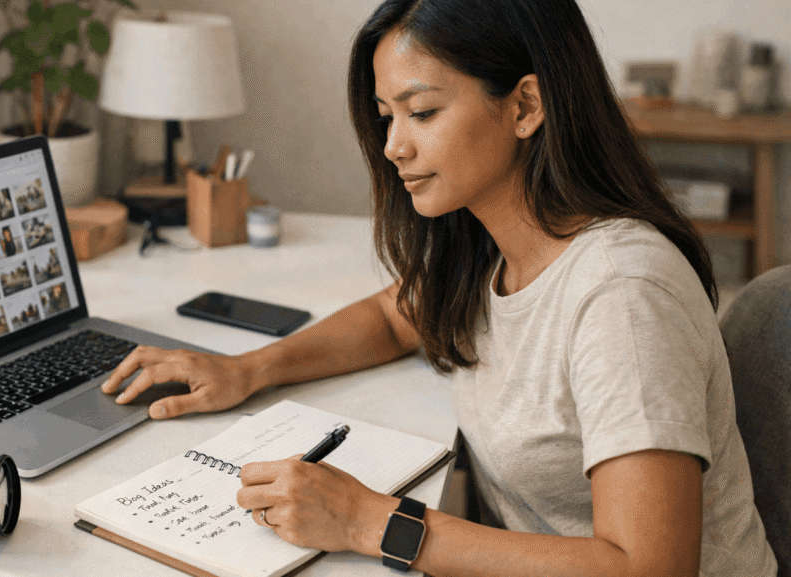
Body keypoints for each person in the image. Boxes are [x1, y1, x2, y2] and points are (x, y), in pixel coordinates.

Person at [101, 0, 777, 575]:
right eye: (386, 115)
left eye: (421, 112)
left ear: (526, 106)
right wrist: (248, 369)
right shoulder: (490, 241)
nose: (393, 145)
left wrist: (374, 521)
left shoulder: (623, 295)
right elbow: (396, 317)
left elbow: (649, 567)